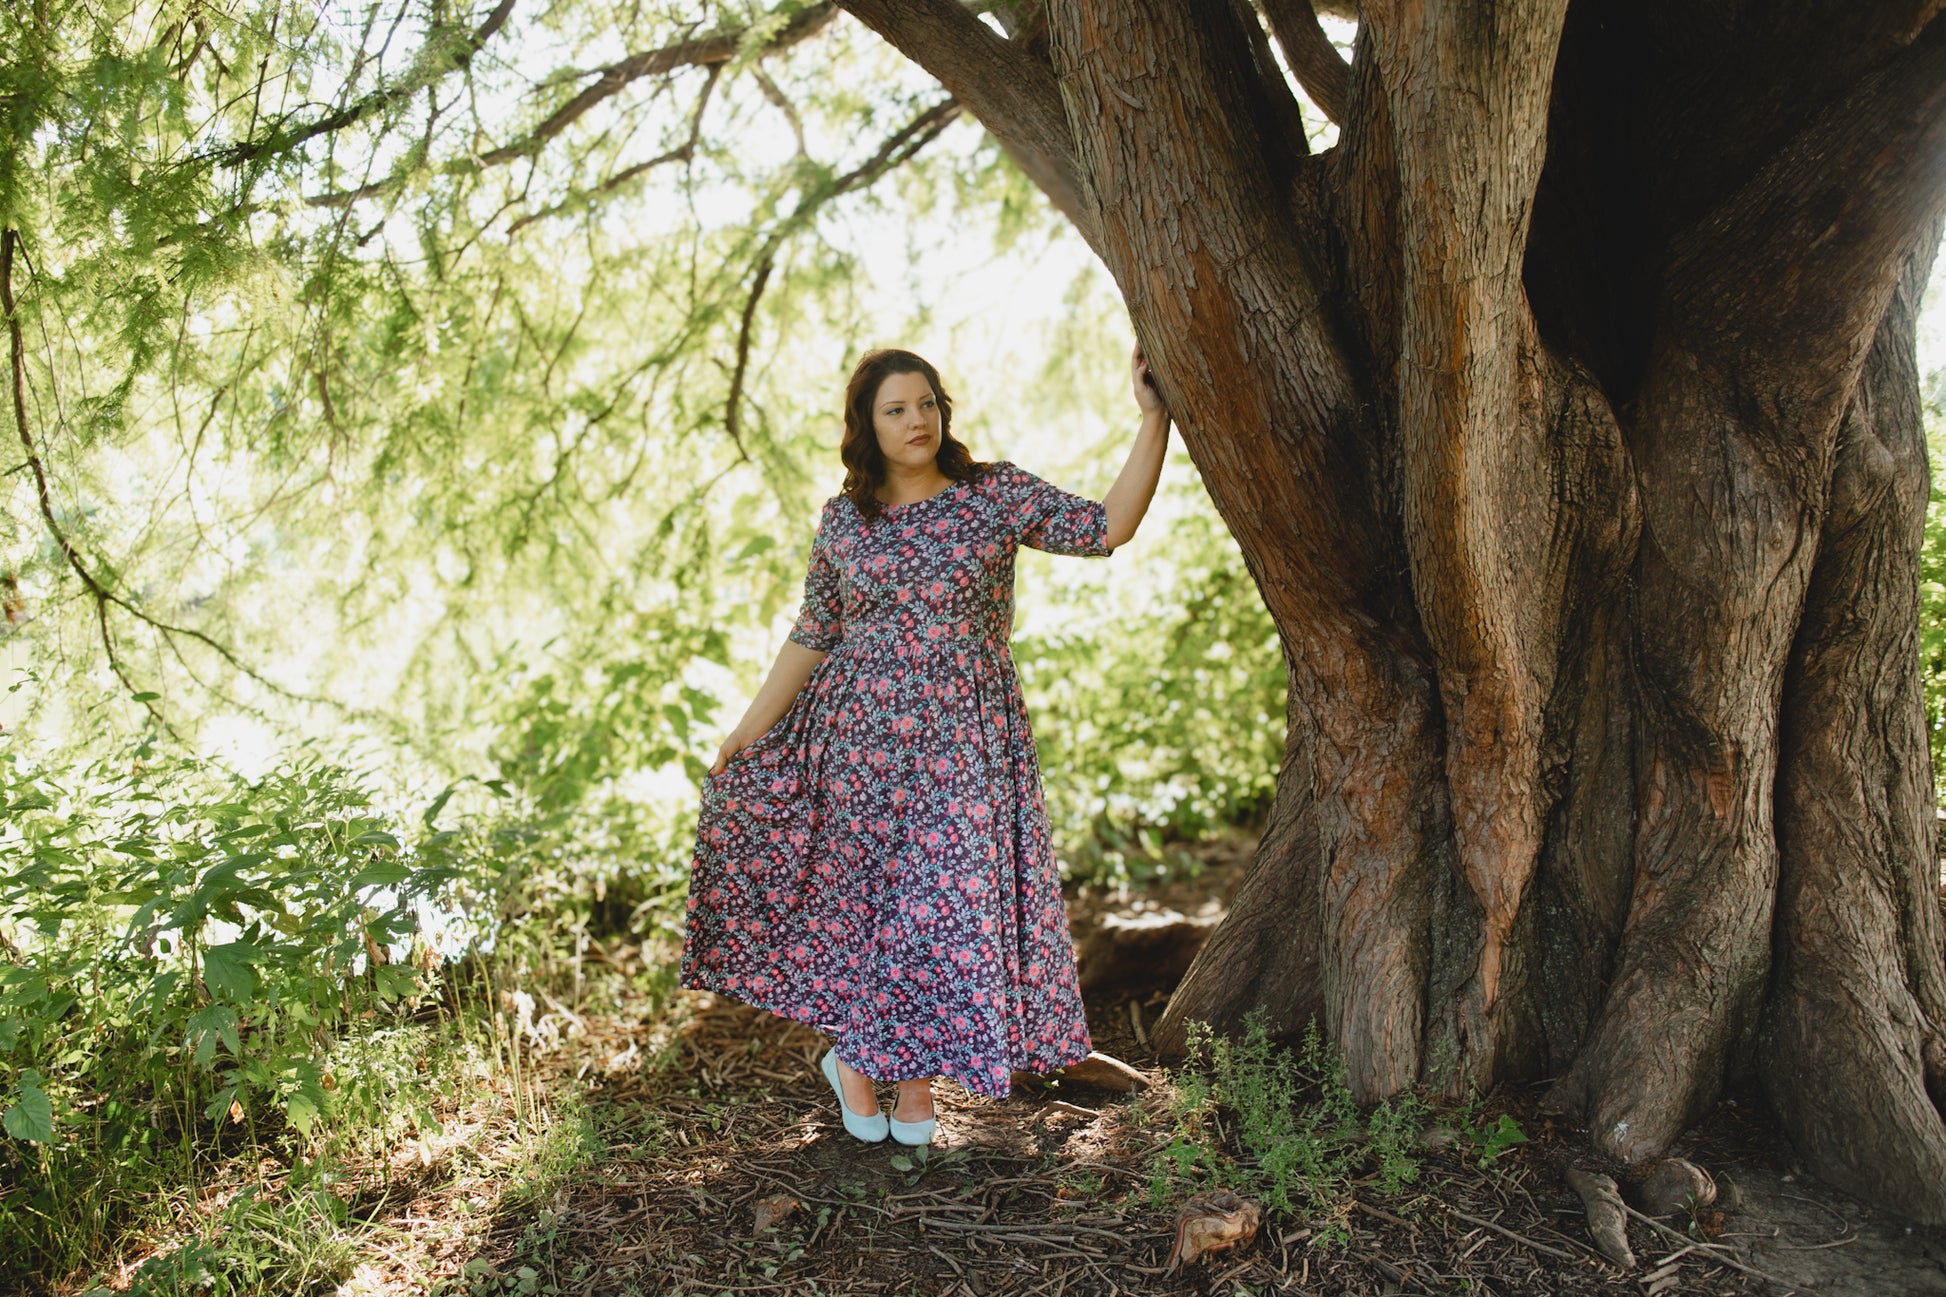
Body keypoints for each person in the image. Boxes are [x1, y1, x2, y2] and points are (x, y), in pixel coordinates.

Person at [679, 344, 1169, 1146]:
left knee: (935, 911)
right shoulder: (845, 520)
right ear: (867, 427)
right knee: (867, 909)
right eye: (896, 409)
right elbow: (813, 634)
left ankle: (897, 1077)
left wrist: (1156, 416)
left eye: (927, 403)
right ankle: (864, 1070)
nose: (917, 420)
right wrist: (747, 729)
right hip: (858, 740)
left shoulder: (993, 495)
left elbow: (1107, 526)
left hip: (964, 745)